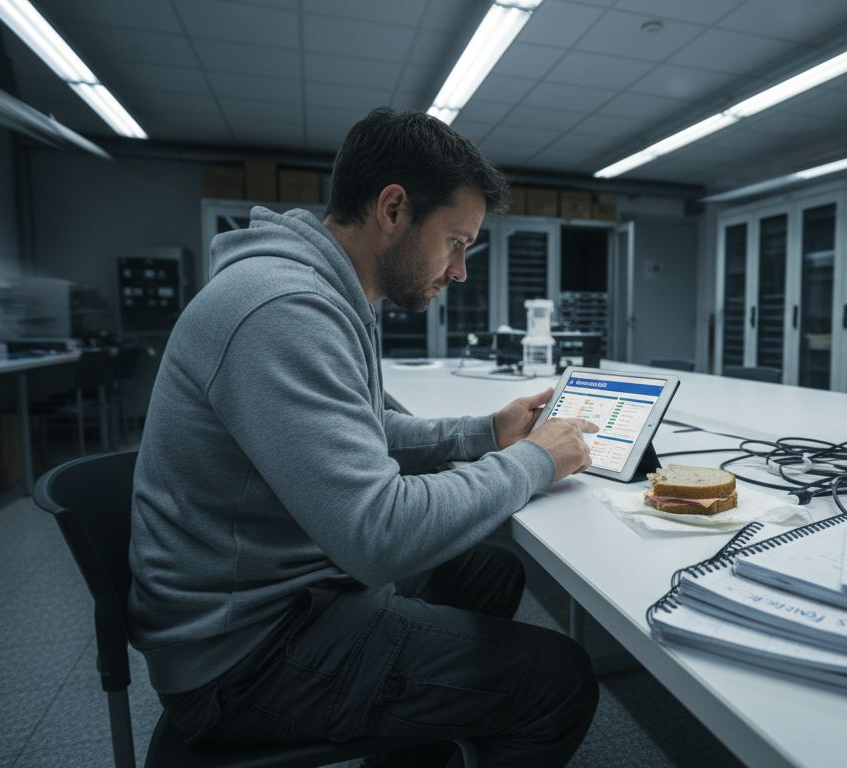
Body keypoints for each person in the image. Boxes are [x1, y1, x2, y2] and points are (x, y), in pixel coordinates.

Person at [128, 108, 601, 767]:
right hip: (240, 658)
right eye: (456, 241)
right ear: (393, 209)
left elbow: (362, 431)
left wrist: (487, 432)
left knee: (486, 574)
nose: (461, 269)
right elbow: (378, 537)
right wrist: (532, 462)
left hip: (277, 594)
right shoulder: (284, 309)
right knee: (559, 681)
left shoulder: (323, 289)